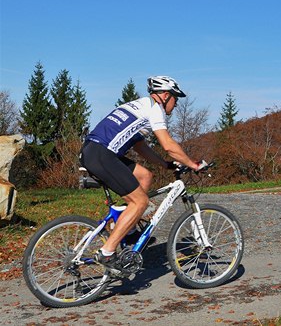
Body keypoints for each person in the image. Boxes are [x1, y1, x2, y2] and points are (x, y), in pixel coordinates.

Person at [80, 75, 202, 270]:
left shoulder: (140, 105)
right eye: (175, 99)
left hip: (94, 151)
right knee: (141, 202)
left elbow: (140, 147)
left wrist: (164, 164)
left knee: (145, 176)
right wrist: (193, 164)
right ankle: (107, 252)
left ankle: (126, 232)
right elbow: (169, 145)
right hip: (102, 154)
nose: (176, 104)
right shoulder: (155, 109)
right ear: (164, 95)